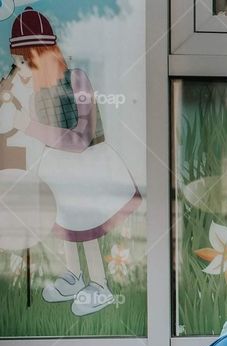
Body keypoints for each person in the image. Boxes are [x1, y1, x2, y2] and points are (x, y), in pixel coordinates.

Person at [9, 6, 142, 316]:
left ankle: (100, 284)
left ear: (41, 53)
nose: (21, 68)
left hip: (88, 167)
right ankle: (74, 276)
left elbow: (80, 137)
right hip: (58, 170)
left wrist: (28, 125)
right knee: (66, 223)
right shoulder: (36, 90)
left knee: (87, 227)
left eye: (24, 60)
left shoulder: (77, 79)